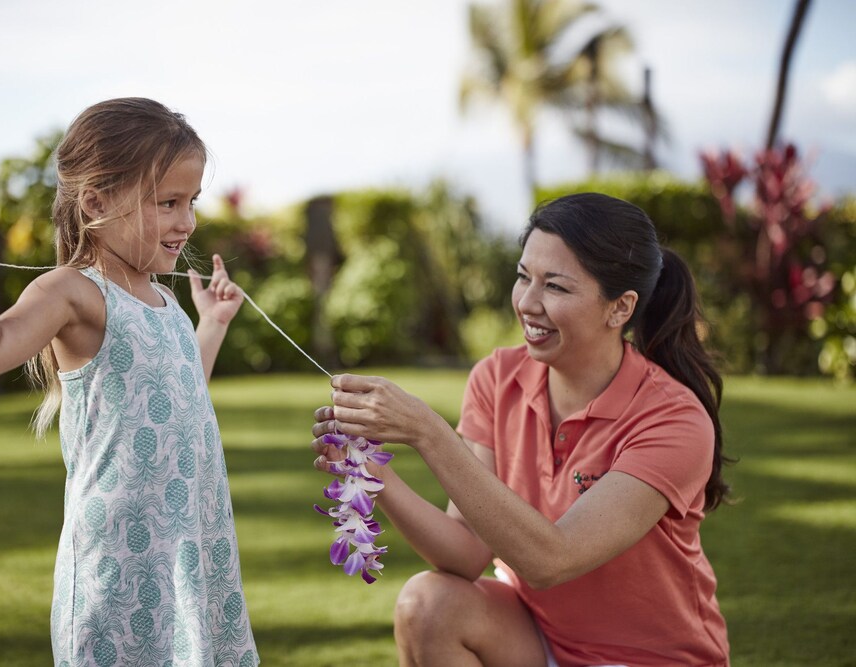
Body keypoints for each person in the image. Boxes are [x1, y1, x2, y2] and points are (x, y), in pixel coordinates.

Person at [311, 193, 732, 667]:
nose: (528, 304)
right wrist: (371, 474)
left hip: (652, 659)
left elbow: (552, 561)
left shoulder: (672, 418)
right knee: (427, 605)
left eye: (555, 287)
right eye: (523, 277)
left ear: (620, 308)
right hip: (537, 640)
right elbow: (467, 553)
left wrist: (427, 431)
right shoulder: (497, 378)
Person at [0, 97, 259, 667]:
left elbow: (177, 400)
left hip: (190, 552)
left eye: (192, 202)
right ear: (97, 202)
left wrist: (212, 326)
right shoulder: (73, 291)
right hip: (120, 564)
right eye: (168, 202)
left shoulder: (165, 301)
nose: (187, 222)